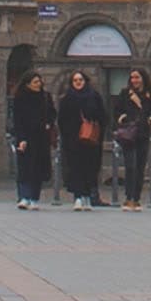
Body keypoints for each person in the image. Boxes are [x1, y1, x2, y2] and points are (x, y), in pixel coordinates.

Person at [57, 69, 108, 209]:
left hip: (91, 140)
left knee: (90, 168)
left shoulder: (94, 96)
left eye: (80, 80)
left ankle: (87, 196)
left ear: (85, 81)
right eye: (75, 80)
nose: (78, 82)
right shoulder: (67, 98)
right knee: (75, 168)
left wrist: (97, 128)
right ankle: (78, 197)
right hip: (73, 140)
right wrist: (67, 135)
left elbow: (103, 117)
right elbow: (61, 119)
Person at [8, 68, 56, 209]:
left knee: (37, 169)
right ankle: (24, 197)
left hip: (41, 138)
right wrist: (21, 138)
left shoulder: (45, 97)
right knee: (24, 168)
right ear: (27, 84)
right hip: (25, 137)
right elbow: (17, 120)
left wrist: (48, 123)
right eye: (35, 82)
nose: (38, 84)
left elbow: (52, 113)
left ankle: (34, 198)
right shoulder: (20, 98)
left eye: (39, 82)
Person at [110, 68, 151, 210]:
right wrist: (120, 118)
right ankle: (128, 197)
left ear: (143, 78)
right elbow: (116, 110)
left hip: (143, 133)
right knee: (130, 165)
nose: (134, 80)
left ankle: (136, 198)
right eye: (132, 78)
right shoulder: (125, 94)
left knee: (140, 166)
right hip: (128, 134)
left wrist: (150, 117)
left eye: (137, 77)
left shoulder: (150, 95)